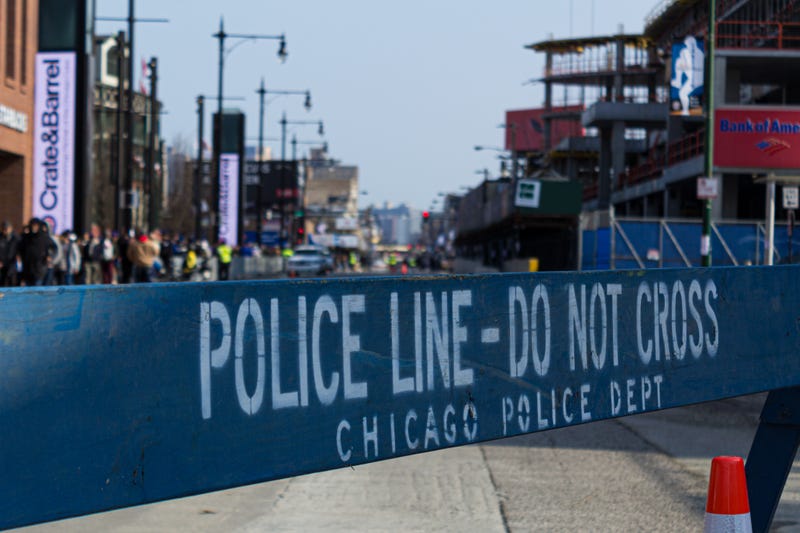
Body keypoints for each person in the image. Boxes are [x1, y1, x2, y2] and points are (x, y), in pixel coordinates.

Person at [18, 218, 57, 286]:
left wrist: (50, 256)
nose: (34, 227)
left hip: (39, 268)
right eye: (32, 225)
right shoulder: (26, 237)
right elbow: (20, 249)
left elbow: (54, 247)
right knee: (28, 292)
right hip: (27, 269)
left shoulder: (44, 237)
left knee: (37, 290)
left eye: (36, 225)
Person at [0, 221, 20, 286]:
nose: (5, 230)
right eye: (4, 229)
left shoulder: (16, 238)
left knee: (12, 280)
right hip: (2, 264)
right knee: (2, 281)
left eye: (7, 228)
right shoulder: (1, 238)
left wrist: (18, 257)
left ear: (11, 228)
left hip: (12, 263)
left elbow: (20, 249)